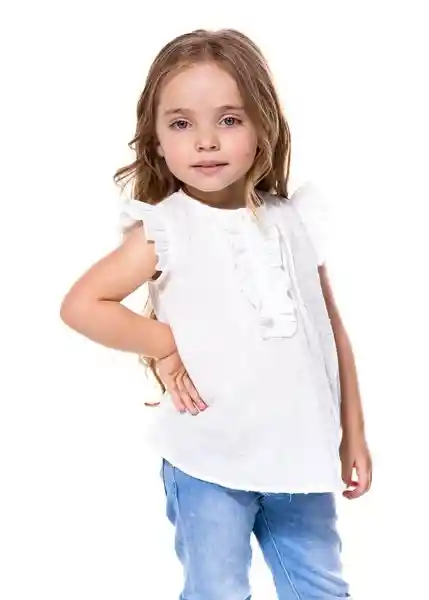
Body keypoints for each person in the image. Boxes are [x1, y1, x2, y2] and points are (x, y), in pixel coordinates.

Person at [60, 27, 372, 600]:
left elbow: (332, 334)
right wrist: (164, 344)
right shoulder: (164, 228)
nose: (206, 141)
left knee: (320, 589)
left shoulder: (294, 221)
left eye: (229, 120)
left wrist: (352, 432)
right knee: (216, 590)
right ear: (156, 141)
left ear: (263, 127)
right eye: (181, 124)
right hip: (207, 459)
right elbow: (82, 305)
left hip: (298, 458)